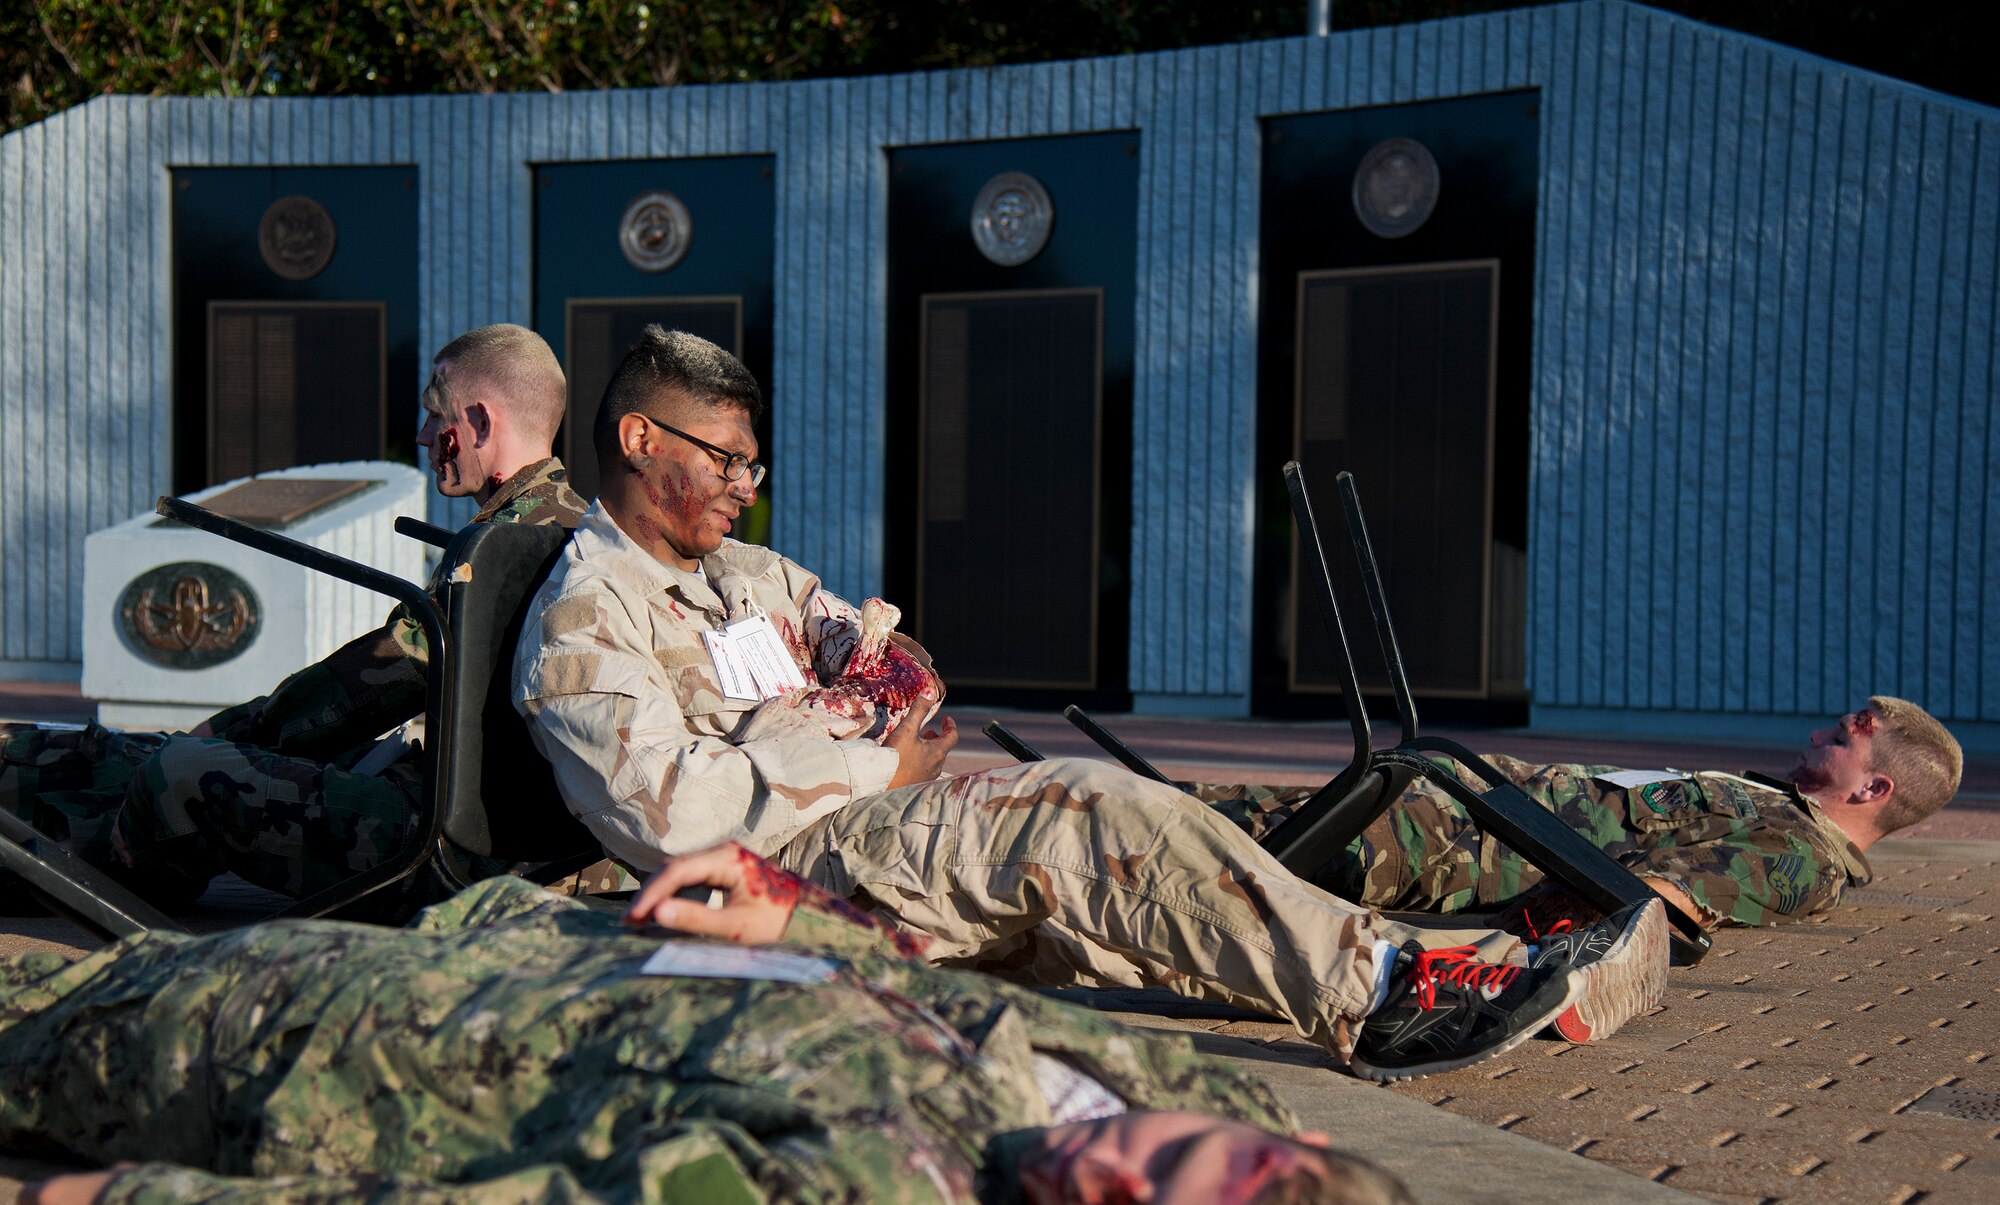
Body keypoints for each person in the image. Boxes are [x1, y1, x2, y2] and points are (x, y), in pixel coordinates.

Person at [511, 327, 1671, 1081]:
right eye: (723, 461)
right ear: (633, 438)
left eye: (751, 467)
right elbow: (682, 820)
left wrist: (847, 710)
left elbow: (896, 664)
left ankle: (1461, 971)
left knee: (1136, 875)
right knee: (1079, 813)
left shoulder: (739, 579)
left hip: (848, 844)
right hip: (776, 891)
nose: (742, 488)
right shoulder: (586, 617)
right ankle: (1389, 992)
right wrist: (870, 754)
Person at [7, 845, 1450, 1205]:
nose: (1109, 1165)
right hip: (476, 956)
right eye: (1173, 1158)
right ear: (1286, 1152)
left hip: (282, 1059)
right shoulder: (1228, 1112)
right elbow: (971, 1024)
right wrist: (798, 922)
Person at [0, 324, 588, 907]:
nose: (423, 434)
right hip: (488, 826)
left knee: (181, 771)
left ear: (481, 423)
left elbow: (375, 683)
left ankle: (62, 877)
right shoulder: (574, 529)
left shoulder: (509, 546)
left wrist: (231, 732)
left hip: (470, 857)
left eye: (439, 416)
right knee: (132, 756)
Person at [1193, 696, 1962, 953]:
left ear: (1874, 787)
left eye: (1841, 736)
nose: (1819, 735)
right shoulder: (1779, 811)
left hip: (1438, 842)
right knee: (1199, 808)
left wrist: (1500, 949)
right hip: (1440, 801)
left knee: (1189, 836)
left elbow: (1660, 900)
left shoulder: (1798, 856)